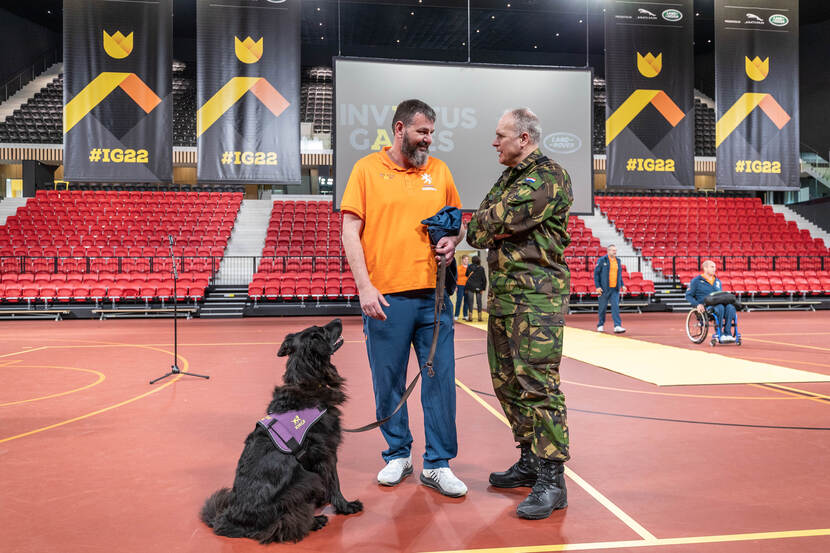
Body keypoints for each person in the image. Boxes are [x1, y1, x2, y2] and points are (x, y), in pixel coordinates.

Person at [340, 99, 468, 497]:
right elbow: (349, 231)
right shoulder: (366, 169)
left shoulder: (439, 170)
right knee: (389, 381)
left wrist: (452, 240)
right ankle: (398, 454)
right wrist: (364, 286)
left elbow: (457, 223)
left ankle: (438, 463)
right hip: (386, 300)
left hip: (433, 298)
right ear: (399, 129)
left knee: (440, 382)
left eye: (431, 132)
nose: (429, 140)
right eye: (422, 132)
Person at [467, 108, 573, 520]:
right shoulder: (509, 180)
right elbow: (478, 230)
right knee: (507, 384)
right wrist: (488, 221)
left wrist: (488, 221)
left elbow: (494, 221)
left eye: (500, 136)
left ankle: (552, 480)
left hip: (537, 302)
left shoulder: (550, 176)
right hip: (505, 300)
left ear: (524, 137)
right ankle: (530, 459)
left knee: (539, 387)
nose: (495, 143)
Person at [685, 260, 737, 342]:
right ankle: (720, 333)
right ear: (705, 268)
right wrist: (697, 304)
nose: (714, 269)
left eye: (715, 267)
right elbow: (688, 295)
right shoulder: (696, 281)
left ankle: (728, 333)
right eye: (712, 267)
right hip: (706, 306)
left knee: (730, 307)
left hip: (718, 303)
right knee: (720, 308)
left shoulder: (717, 281)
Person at [593, 245, 627, 333]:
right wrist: (598, 287)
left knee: (615, 307)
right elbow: (596, 274)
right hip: (604, 289)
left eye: (615, 250)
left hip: (615, 289)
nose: (615, 252)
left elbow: (619, 275)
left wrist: (622, 285)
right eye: (613, 250)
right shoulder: (602, 260)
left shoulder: (618, 261)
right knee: (602, 308)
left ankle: (617, 326)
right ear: (608, 251)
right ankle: (600, 325)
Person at [464, 255, 487, 322]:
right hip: (479, 287)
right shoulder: (481, 268)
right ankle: (479, 317)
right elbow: (484, 279)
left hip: (470, 286)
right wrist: (483, 288)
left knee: (470, 302)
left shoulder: (470, 266)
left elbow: (466, 275)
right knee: (479, 302)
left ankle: (470, 317)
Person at [454, 254, 470, 320]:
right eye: (465, 259)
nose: (466, 261)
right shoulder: (458, 268)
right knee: (459, 300)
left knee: (466, 301)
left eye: (467, 259)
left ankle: (465, 315)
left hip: (467, 286)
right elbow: (455, 277)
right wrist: (455, 286)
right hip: (459, 286)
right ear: (462, 260)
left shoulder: (470, 268)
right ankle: (456, 315)